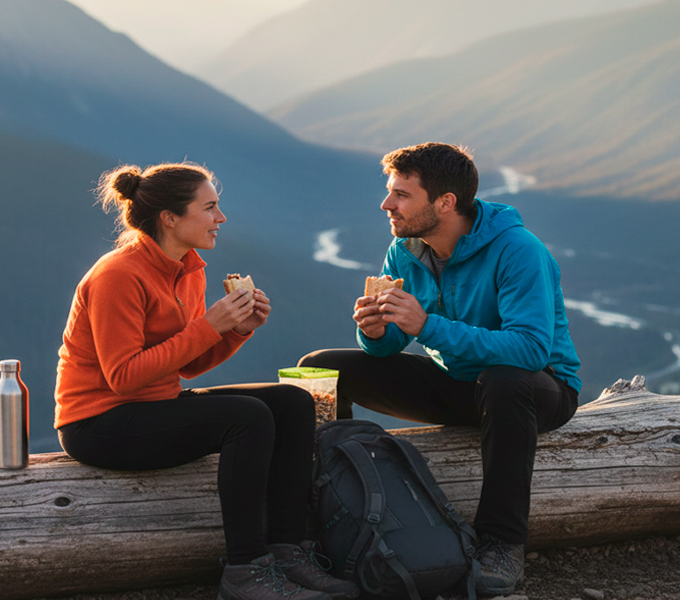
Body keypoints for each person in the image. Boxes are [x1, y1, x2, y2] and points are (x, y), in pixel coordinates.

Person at [54, 161, 359, 600]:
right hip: (98, 423)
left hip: (157, 404)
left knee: (293, 402)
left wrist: (236, 328)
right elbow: (122, 378)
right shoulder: (118, 275)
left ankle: (290, 551)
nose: (221, 218)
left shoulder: (189, 268)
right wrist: (209, 325)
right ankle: (244, 571)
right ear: (170, 219)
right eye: (210, 207)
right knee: (247, 418)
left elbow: (186, 364)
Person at [298, 143, 581, 598]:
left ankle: (502, 544)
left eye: (402, 195)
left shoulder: (518, 250)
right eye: (390, 192)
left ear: (445, 202)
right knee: (317, 371)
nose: (387, 204)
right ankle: (329, 516)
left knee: (503, 380)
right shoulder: (405, 250)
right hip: (458, 383)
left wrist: (427, 325)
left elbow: (529, 350)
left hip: (538, 388)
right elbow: (392, 343)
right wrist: (374, 331)